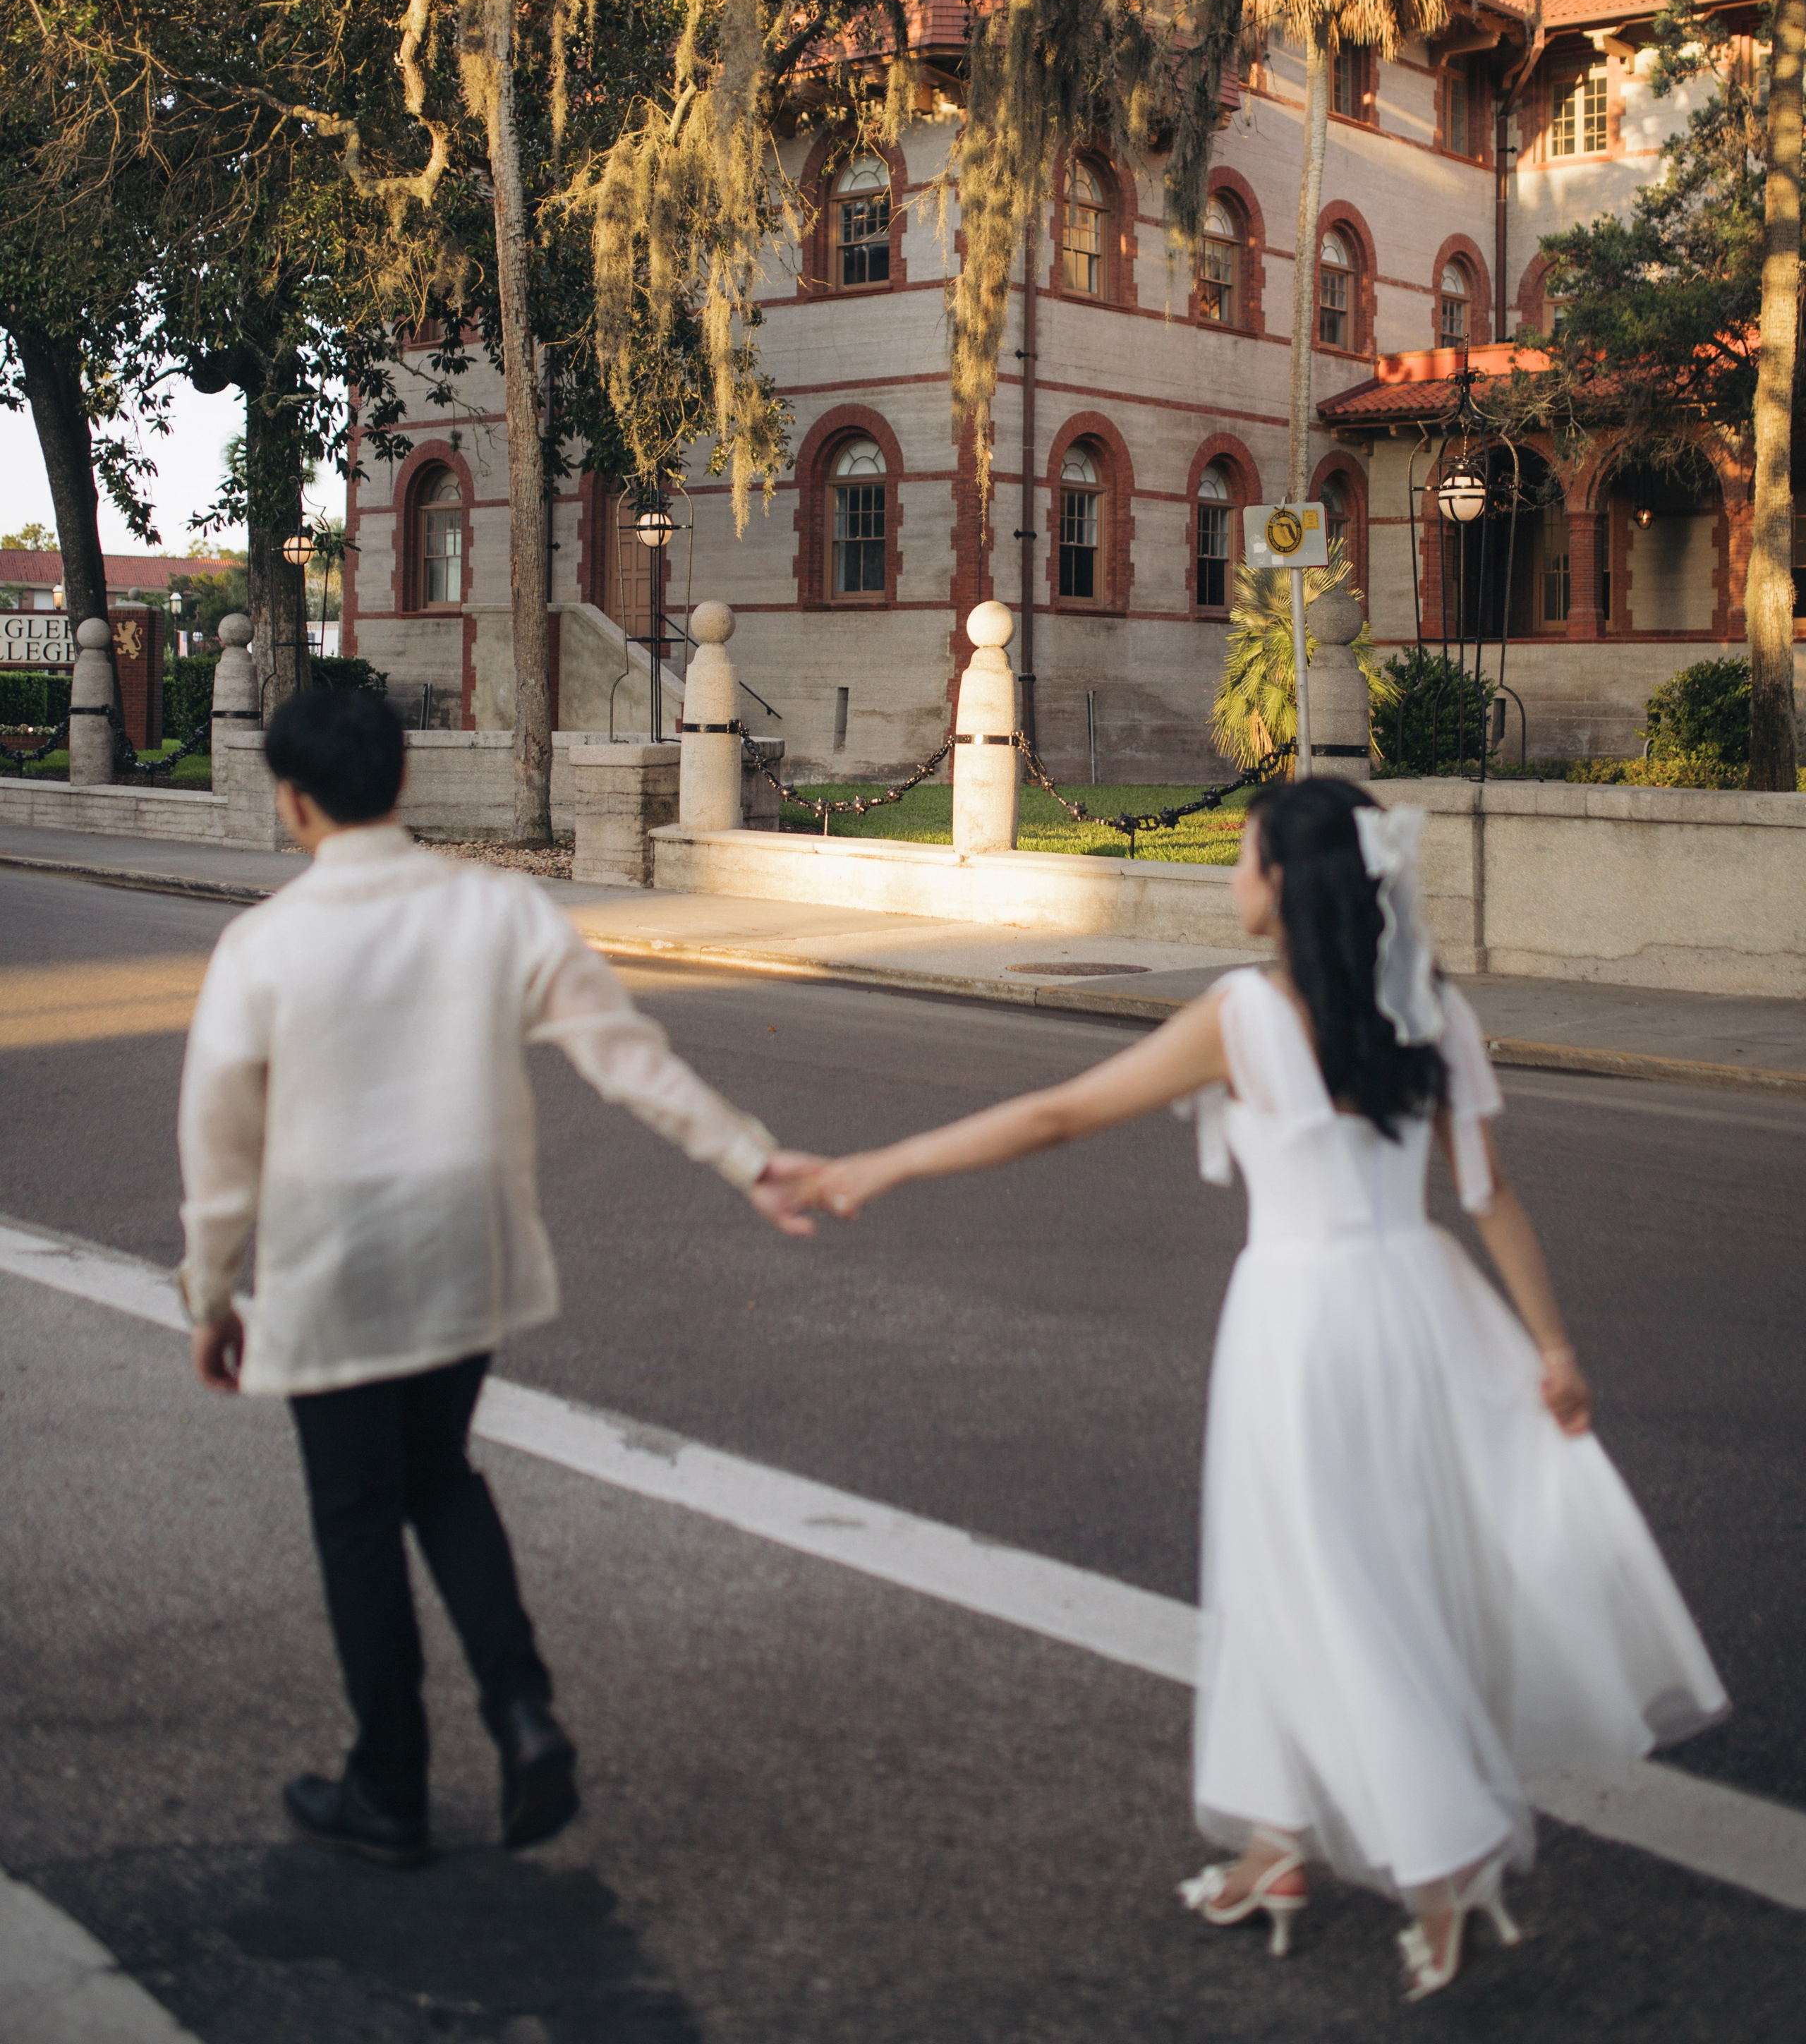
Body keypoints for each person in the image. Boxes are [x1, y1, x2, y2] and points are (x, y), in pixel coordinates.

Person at [782, 778, 1726, 2001]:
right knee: (1329, 1572)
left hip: (1300, 1320)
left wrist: (880, 1163)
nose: (1232, 879)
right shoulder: (1428, 1009)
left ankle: (1441, 1861)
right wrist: (1552, 1350)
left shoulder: (1243, 1014)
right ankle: (1275, 1849)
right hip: (1423, 1309)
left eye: (1240, 858)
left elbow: (1063, 1113)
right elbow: (1490, 1196)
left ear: (1285, 885)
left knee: (1322, 1583)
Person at [177, 686, 820, 1868]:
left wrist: (212, 1298)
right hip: (463, 1250)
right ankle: (523, 1714)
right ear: (403, 785)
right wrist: (748, 1158)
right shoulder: (494, 909)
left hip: (335, 1264)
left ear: (293, 801)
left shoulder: (262, 945)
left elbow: (221, 1153)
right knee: (442, 1477)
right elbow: (624, 1055)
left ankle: (390, 1783)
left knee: (359, 1519)